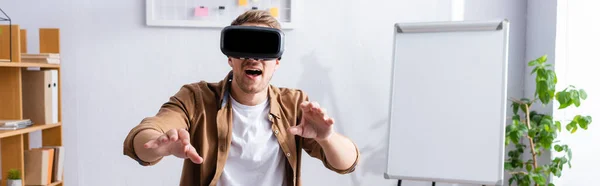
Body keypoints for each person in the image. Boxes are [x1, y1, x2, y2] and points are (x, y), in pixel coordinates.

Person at [122, 10, 360, 186]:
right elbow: (142, 140)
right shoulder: (196, 99)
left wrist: (327, 138)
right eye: (244, 47)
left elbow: (347, 164)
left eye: (263, 49)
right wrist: (160, 146)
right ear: (230, 58)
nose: (253, 58)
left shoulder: (295, 105)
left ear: (277, 62)